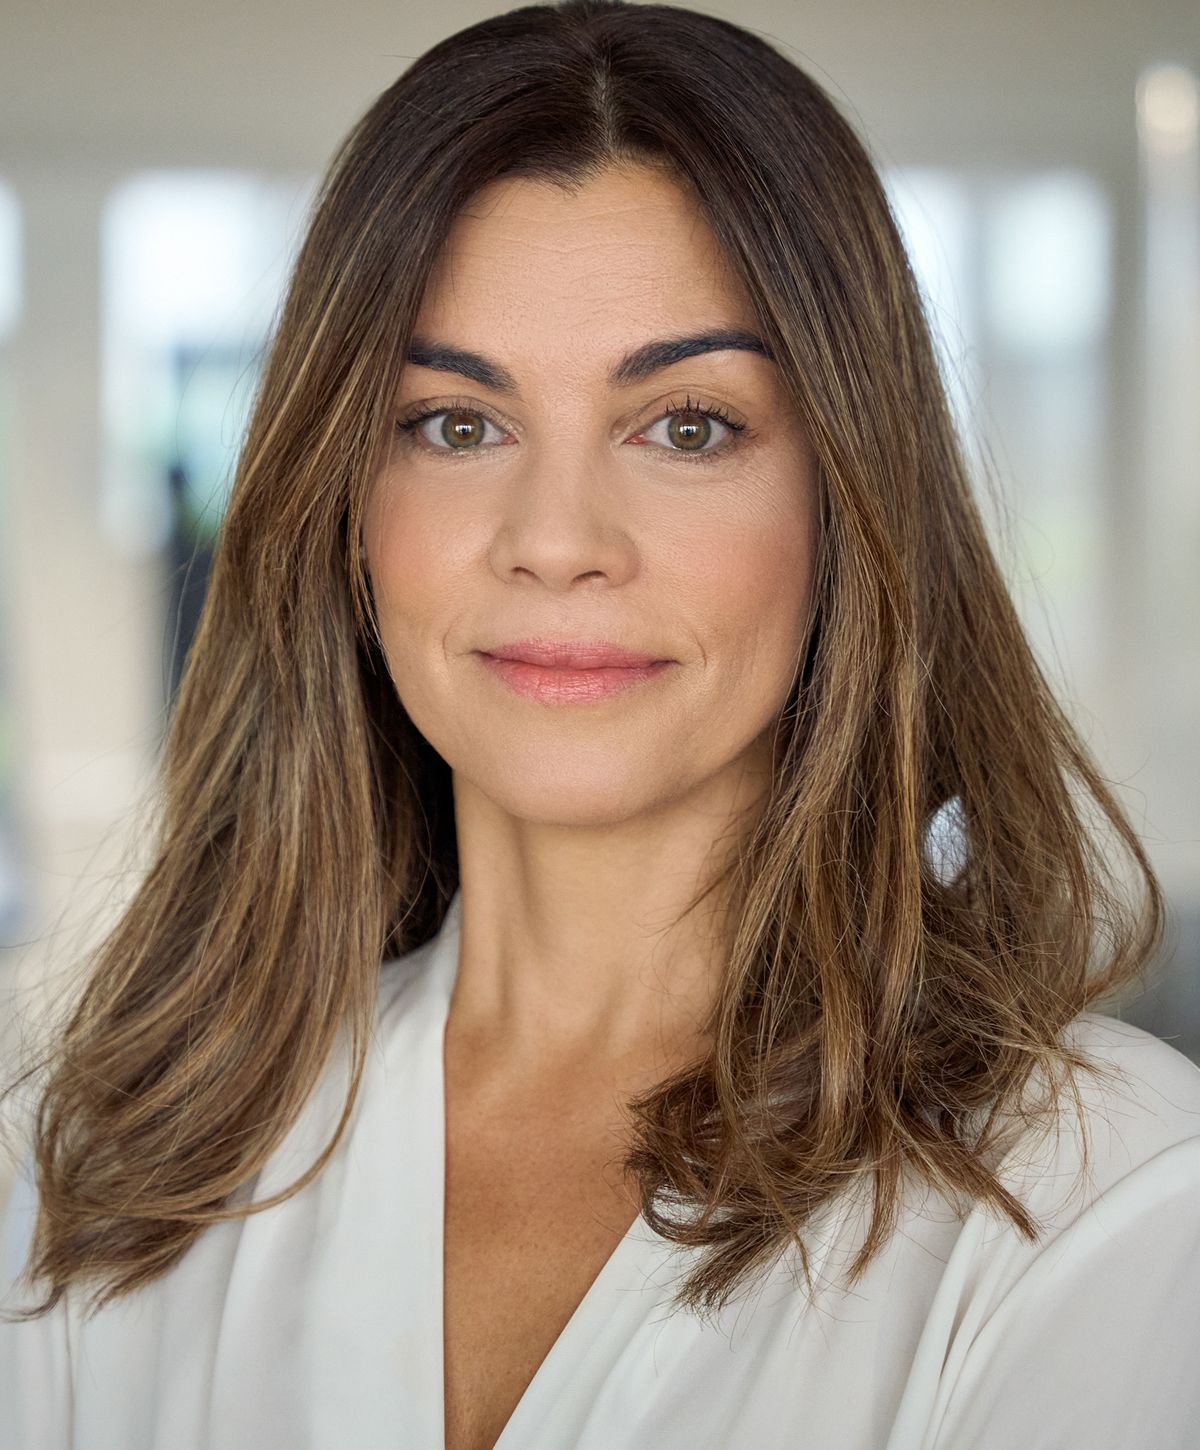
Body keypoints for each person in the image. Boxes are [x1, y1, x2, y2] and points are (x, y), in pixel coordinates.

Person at [3, 1, 1200, 1446]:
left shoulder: (1107, 1196)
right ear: (346, 514)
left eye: (687, 425)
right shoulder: (91, 1157)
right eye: (456, 423)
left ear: (851, 503)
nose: (557, 539)